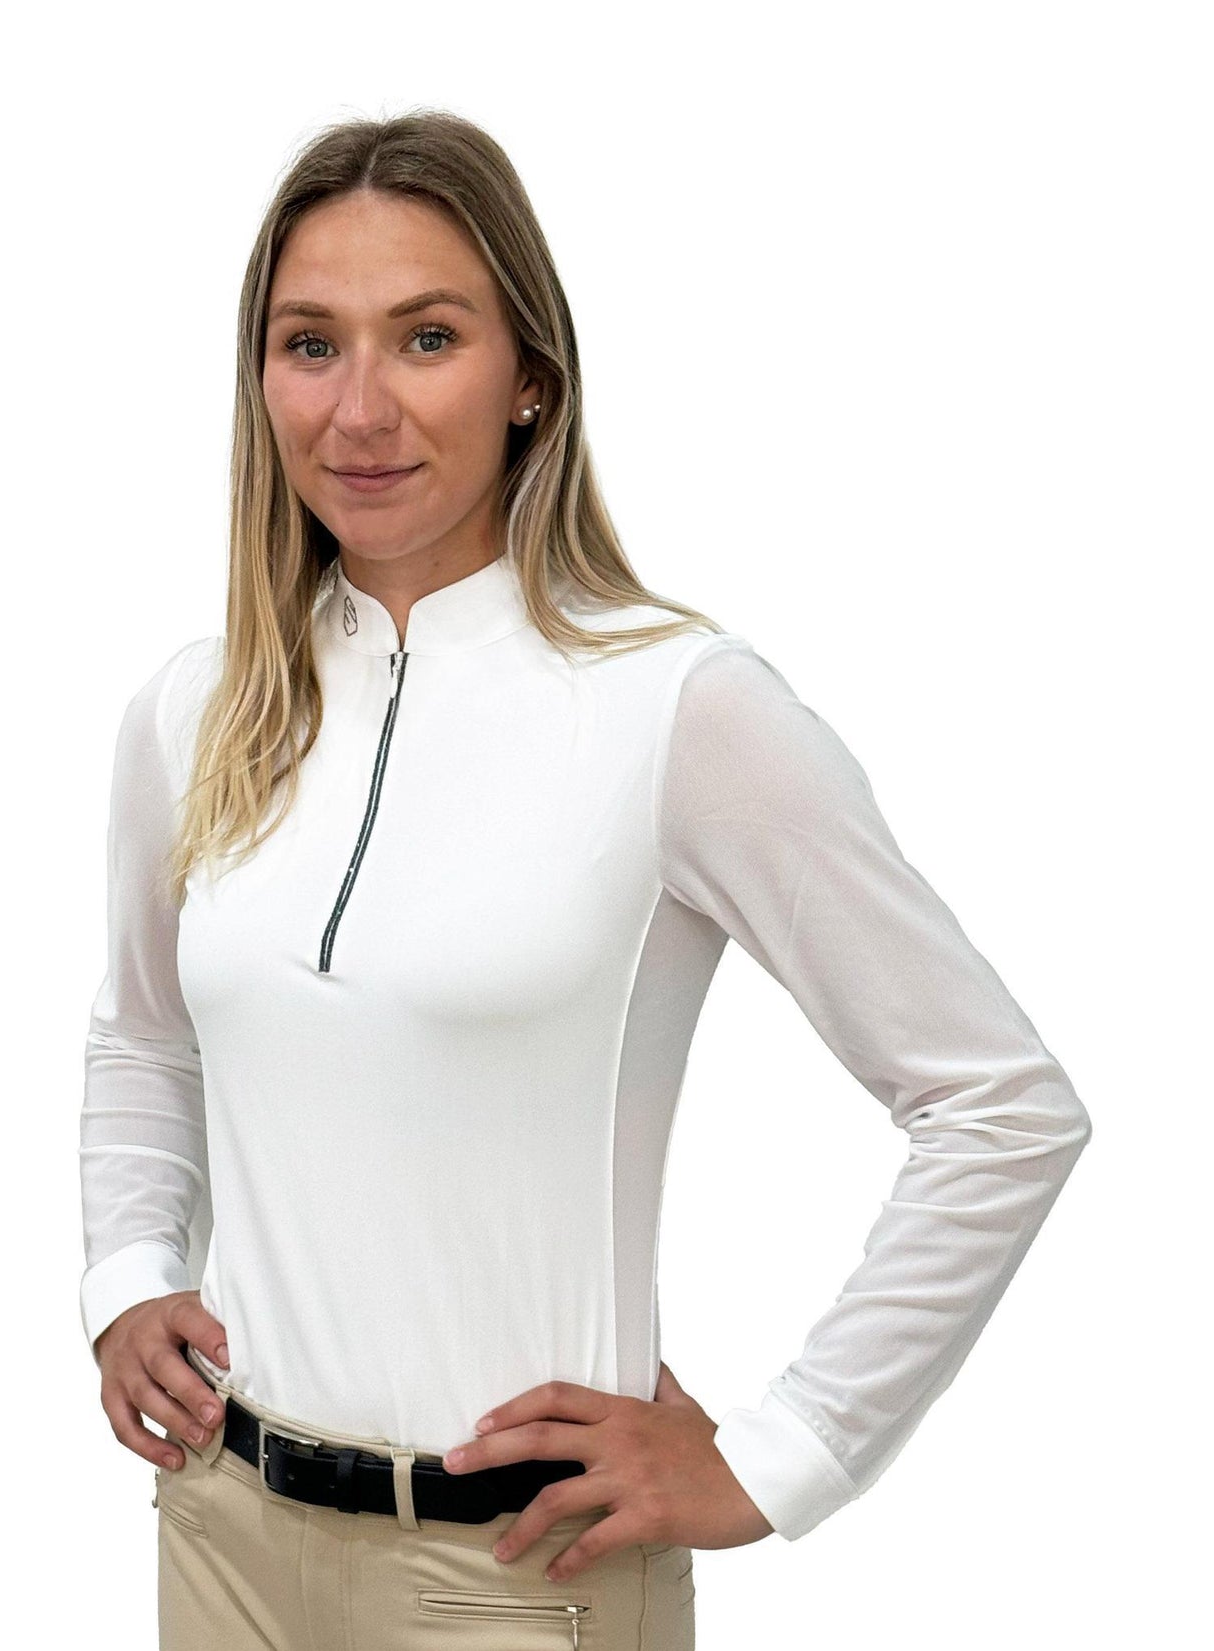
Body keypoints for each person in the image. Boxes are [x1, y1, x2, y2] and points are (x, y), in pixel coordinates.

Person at [78, 110, 1092, 1650]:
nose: (359, 409)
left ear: (529, 378)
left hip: (513, 1579)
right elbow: (146, 1036)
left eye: (426, 338)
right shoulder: (195, 707)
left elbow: (998, 1104)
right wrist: (124, 1277)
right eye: (309, 344)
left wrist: (780, 1456)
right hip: (221, 1540)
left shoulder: (676, 708)